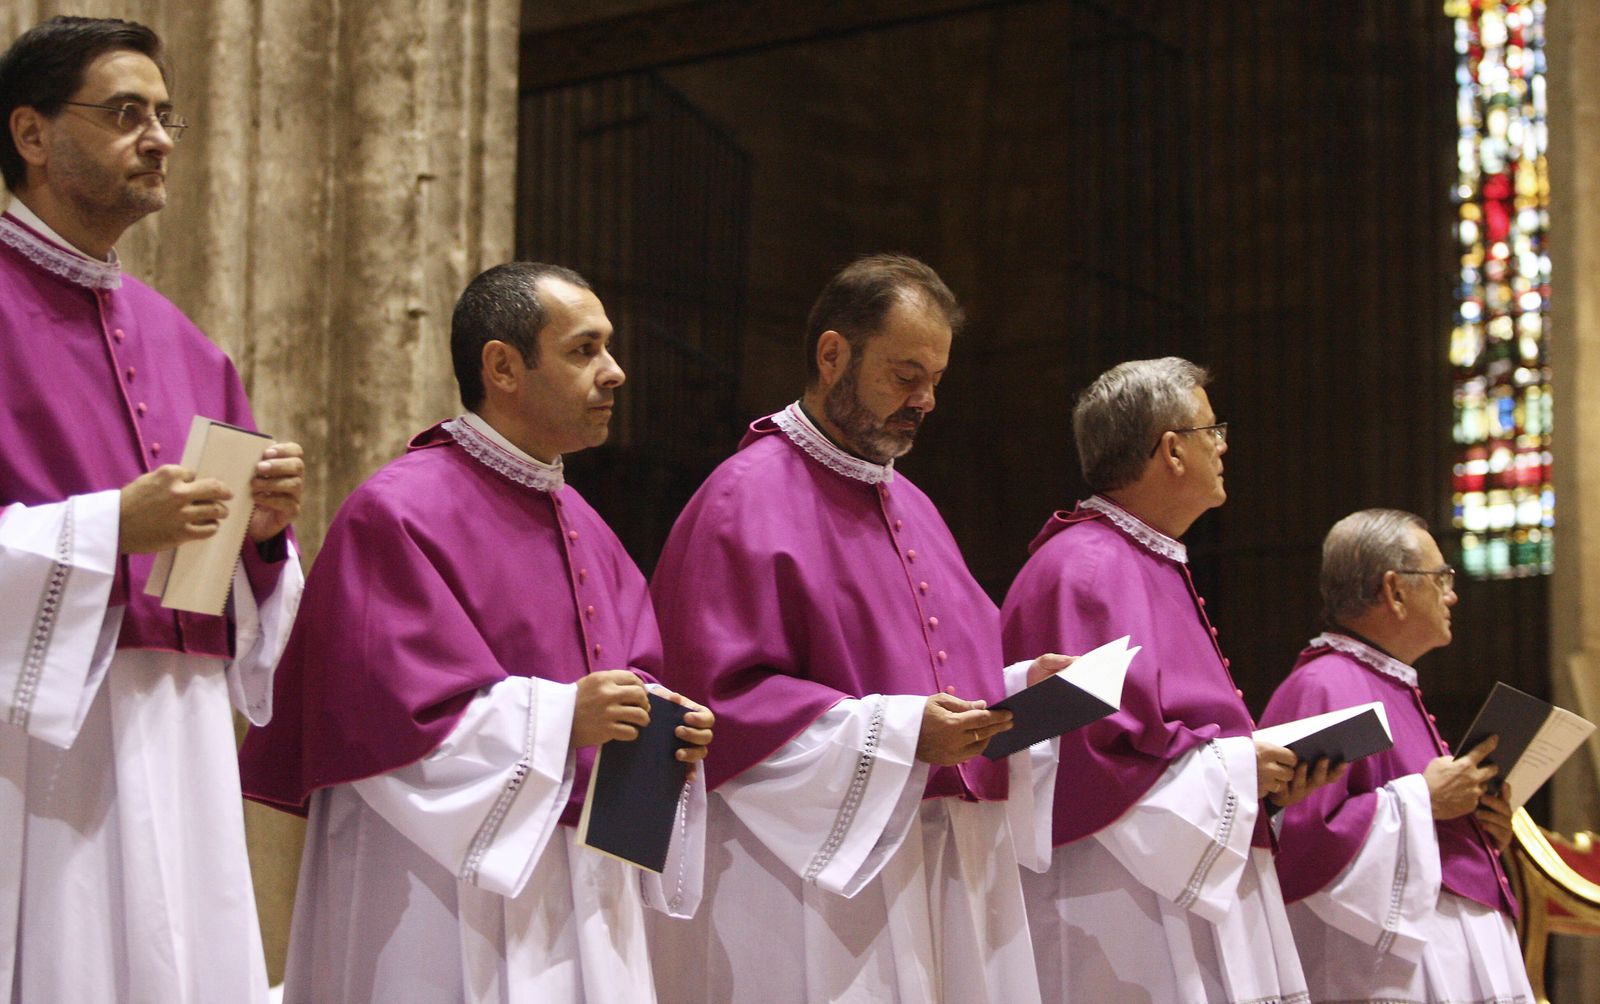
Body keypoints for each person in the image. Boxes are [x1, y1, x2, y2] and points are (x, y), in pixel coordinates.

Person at [239, 262, 714, 1003]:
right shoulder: (397, 513)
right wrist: (563, 718)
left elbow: (631, 677)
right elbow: (381, 719)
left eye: (608, 347)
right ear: (503, 367)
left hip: (577, 886)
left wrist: (663, 727)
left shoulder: (588, 528)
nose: (615, 371)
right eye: (584, 350)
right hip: (434, 889)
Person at [647, 253, 1069, 1004]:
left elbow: (932, 671)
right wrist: (903, 735)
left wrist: (1016, 688)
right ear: (833, 355)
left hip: (938, 859)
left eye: (935, 379)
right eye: (906, 375)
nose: (925, 400)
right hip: (809, 875)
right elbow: (719, 704)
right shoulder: (744, 497)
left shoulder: (914, 505)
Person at [0, 16, 306, 1003]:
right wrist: (106, 531)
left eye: (166, 116)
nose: (159, 139)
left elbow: (233, 601)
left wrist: (261, 540)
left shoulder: (188, 345)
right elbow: (114, 533)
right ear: (32, 134)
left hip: (182, 735)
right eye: (126, 113)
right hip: (42, 740)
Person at [1000, 357, 1333, 1003]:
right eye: (1213, 430)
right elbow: (1089, 761)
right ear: (1173, 450)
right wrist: (1240, 768)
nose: (1223, 446)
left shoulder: (1139, 557)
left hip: (1177, 883)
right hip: (1122, 907)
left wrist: (1260, 778)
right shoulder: (1086, 569)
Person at [1258, 509, 1534, 1002]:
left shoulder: (1386, 681)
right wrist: (1424, 800)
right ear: (1395, 590)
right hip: (1385, 969)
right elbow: (1299, 843)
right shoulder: (1324, 686)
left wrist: (1478, 821)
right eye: (1440, 577)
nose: (1452, 594)